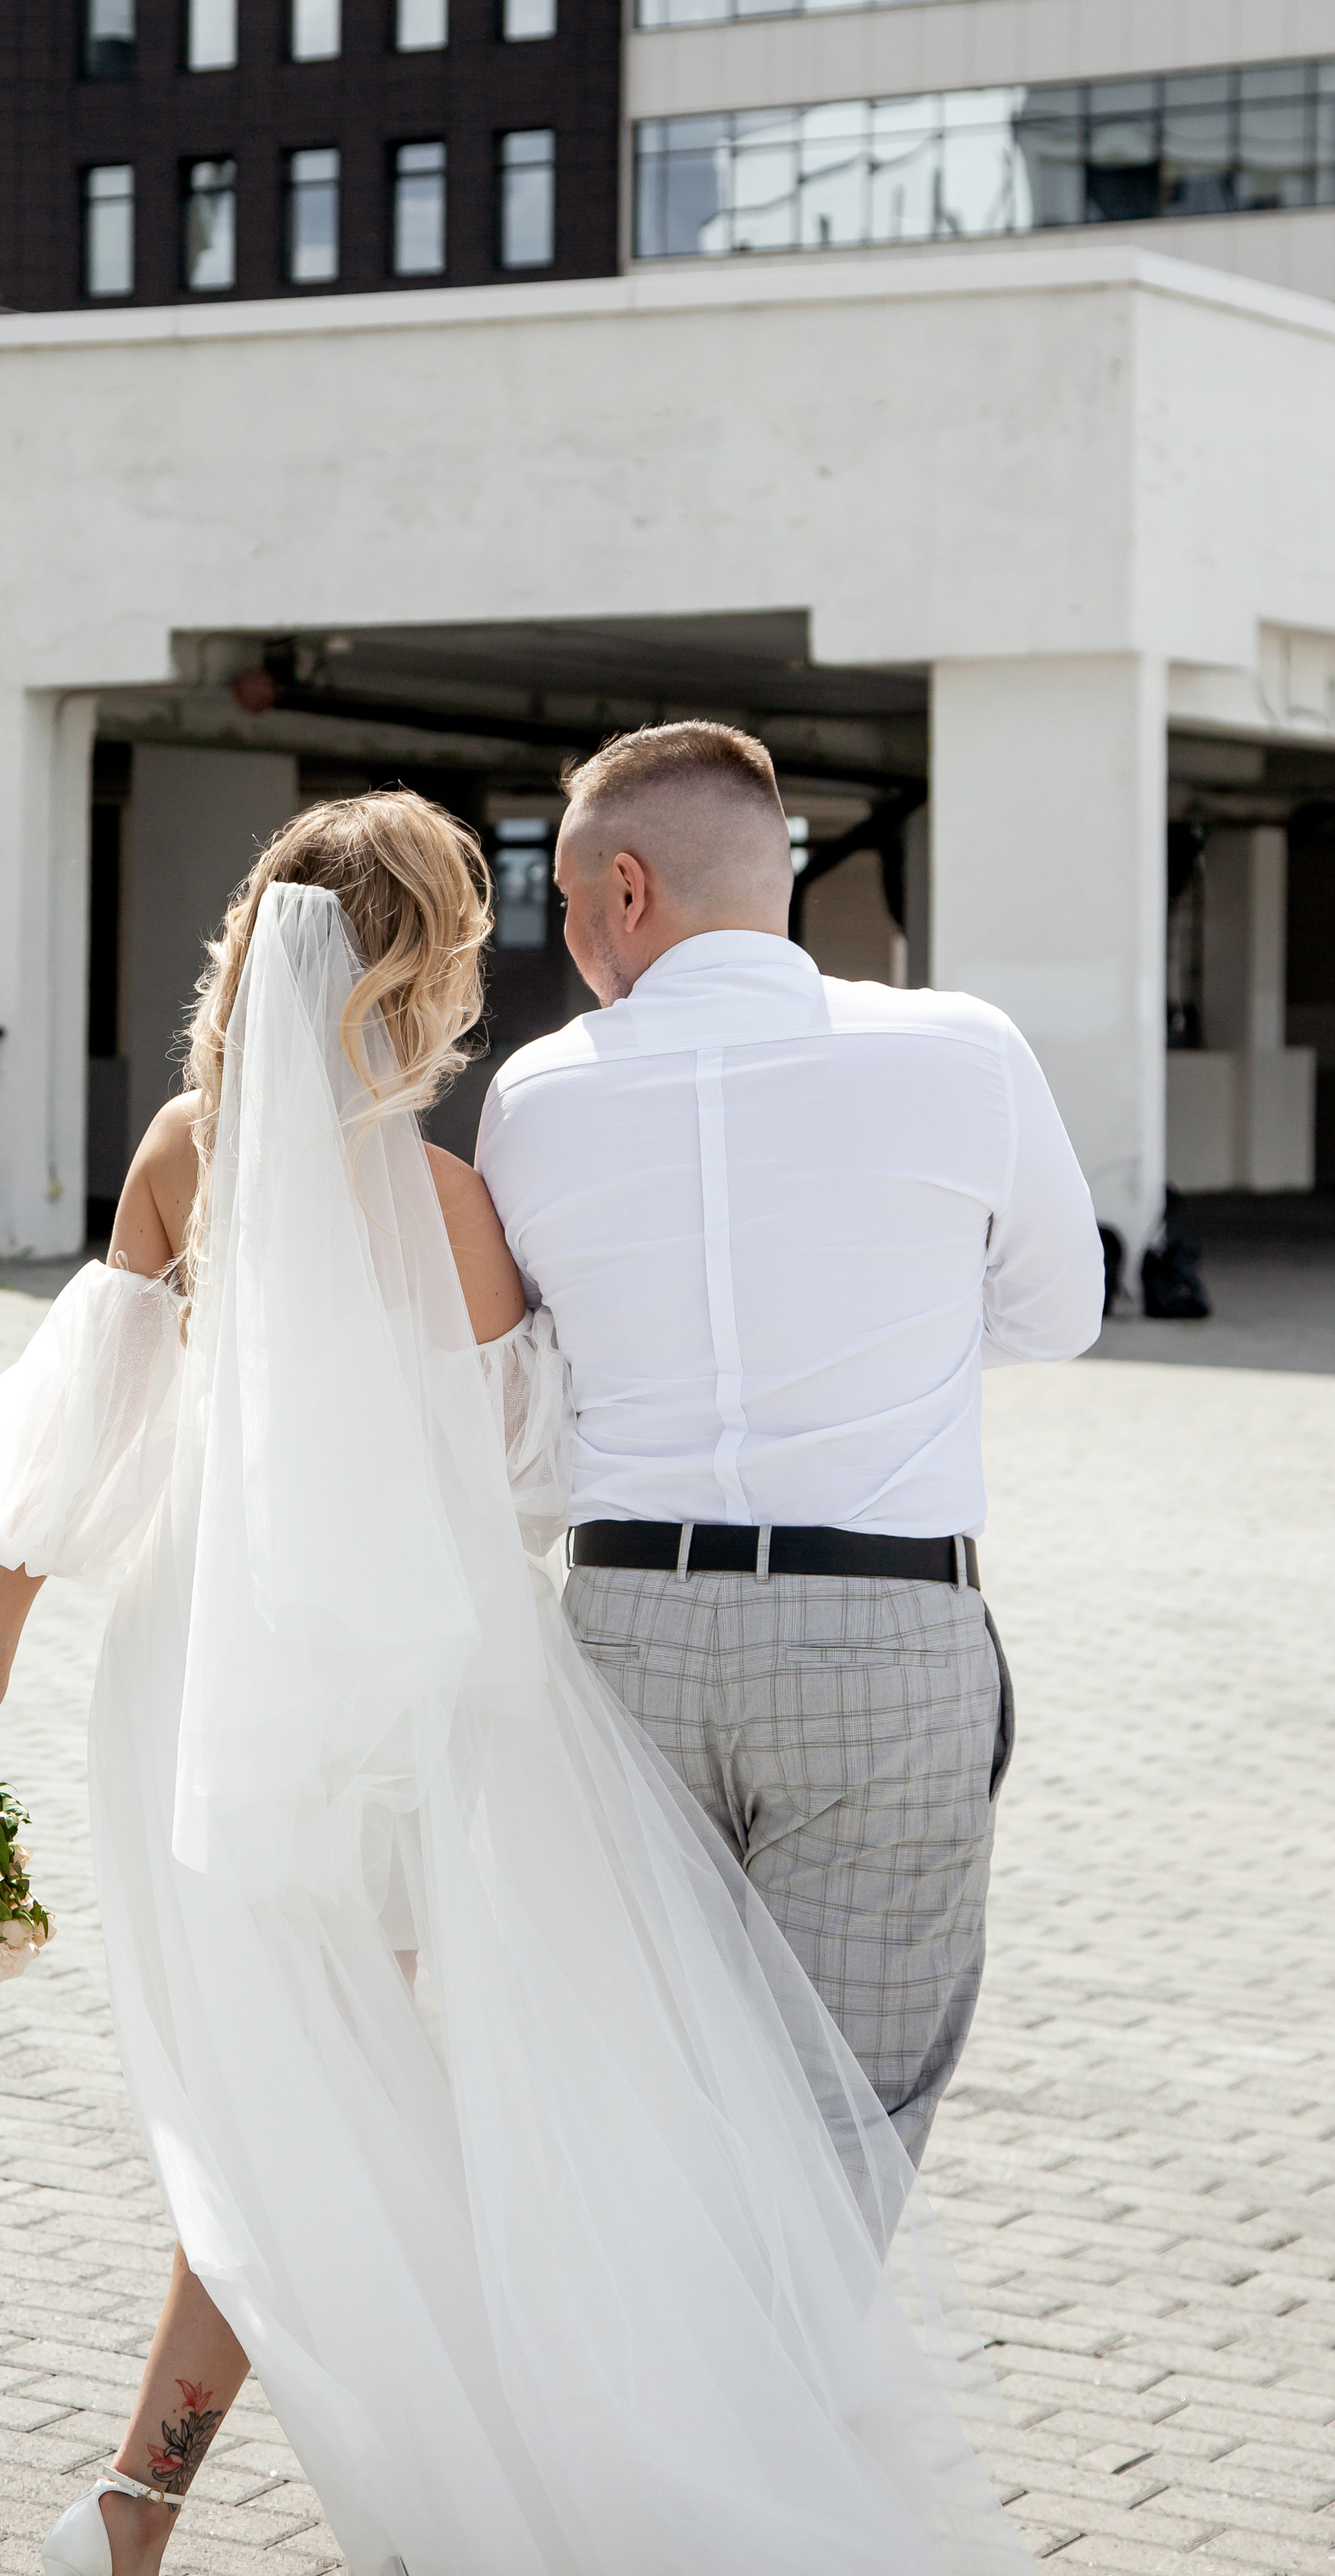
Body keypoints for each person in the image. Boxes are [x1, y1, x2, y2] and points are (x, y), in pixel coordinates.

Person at [0, 791, 1041, 2576]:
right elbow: (537, 1477)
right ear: (421, 972)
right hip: (414, 1696)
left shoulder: (180, 1155)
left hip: (193, 1688)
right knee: (401, 2100)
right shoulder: (454, 1203)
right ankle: (481, 2479)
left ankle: (140, 2505)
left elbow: (56, 1474)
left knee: (277, 2097)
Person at [476, 721, 1104, 2164]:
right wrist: (905, 1333)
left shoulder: (539, 1092)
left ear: (625, 891)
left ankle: (647, 2385)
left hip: (622, 1631)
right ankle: (780, 2383)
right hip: (881, 1631)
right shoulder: (966, 1048)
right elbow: (1063, 1315)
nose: (568, 934)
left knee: (639, 2091)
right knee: (846, 2114)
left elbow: (545, 1363)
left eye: (566, 901)